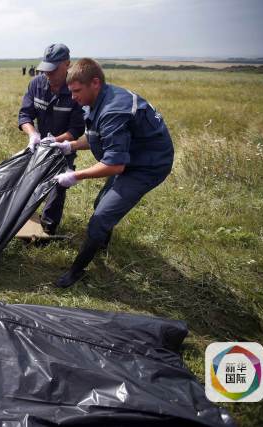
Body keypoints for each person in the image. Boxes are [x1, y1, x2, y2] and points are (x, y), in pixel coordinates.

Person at [49, 58, 174, 288]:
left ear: (95, 83)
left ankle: (76, 271)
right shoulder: (100, 99)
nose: (73, 97)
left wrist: (75, 176)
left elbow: (115, 166)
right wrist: (70, 145)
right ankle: (101, 245)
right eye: (71, 91)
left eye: (77, 91)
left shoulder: (114, 110)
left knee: (100, 217)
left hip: (148, 166)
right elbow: (97, 136)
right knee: (101, 203)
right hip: (130, 157)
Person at [18, 43, 85, 235]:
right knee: (29, 180)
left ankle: (47, 228)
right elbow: (25, 115)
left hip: (64, 147)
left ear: (67, 64)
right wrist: (33, 134)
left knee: (58, 184)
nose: (48, 74)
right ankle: (21, 217)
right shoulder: (36, 84)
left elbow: (76, 129)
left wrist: (56, 141)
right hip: (39, 146)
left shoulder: (75, 90)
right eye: (46, 69)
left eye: (53, 70)